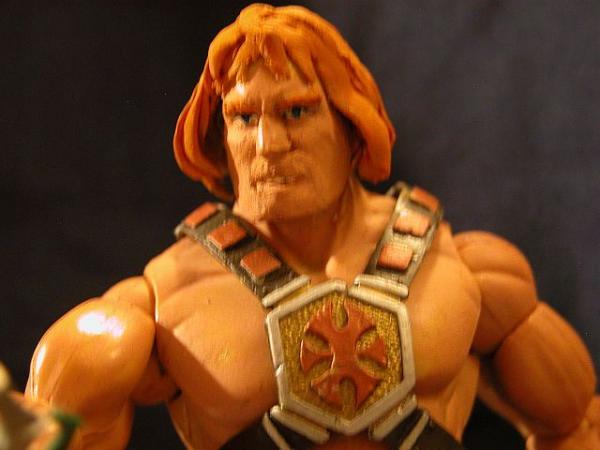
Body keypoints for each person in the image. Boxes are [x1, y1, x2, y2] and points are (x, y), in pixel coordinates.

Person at [24, 4, 598, 449]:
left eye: (296, 111)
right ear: (219, 137)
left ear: (353, 123)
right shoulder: (156, 310)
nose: (268, 145)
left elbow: (577, 427)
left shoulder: (471, 272)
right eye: (242, 117)